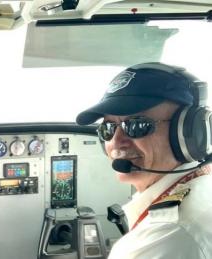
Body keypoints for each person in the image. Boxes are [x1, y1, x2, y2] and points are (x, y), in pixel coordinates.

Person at [76, 62, 212, 258]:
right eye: (108, 128)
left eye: (137, 125)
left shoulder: (168, 235)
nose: (117, 141)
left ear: (190, 131)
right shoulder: (202, 188)